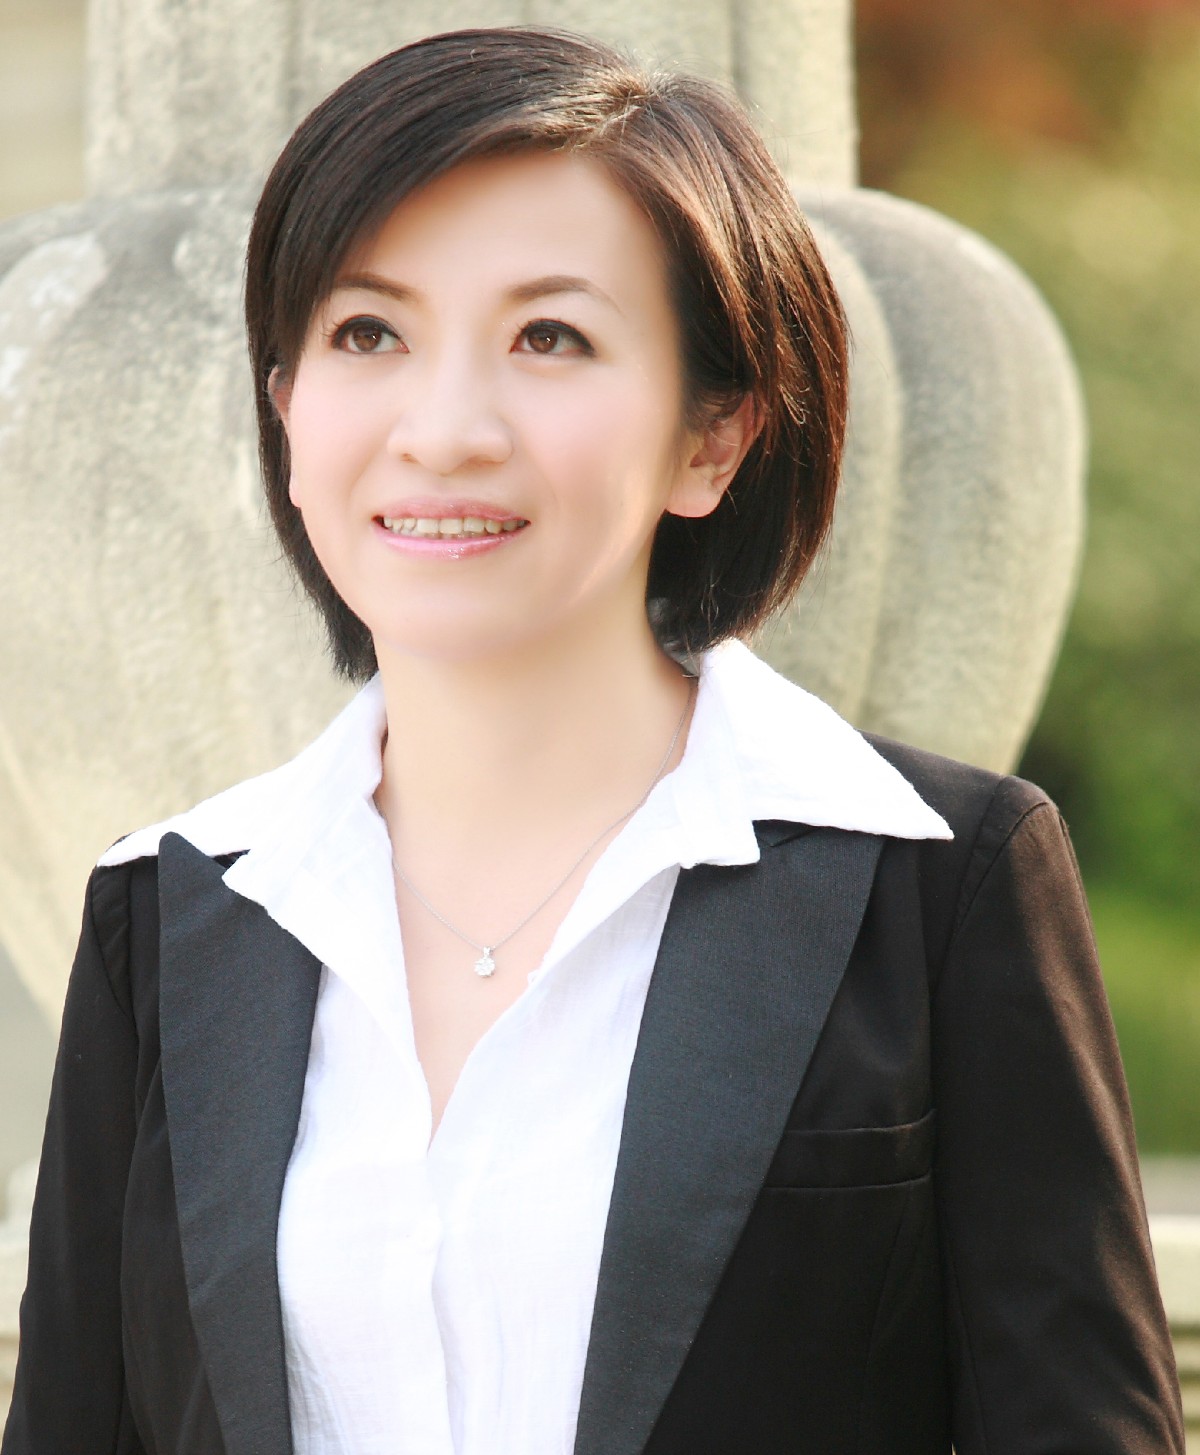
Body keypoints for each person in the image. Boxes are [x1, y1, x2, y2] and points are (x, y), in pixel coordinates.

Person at [1, 25, 1185, 1455]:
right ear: (288, 405)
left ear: (713, 438)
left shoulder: (941, 885)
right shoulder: (168, 910)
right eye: (367, 332)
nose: (444, 429)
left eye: (549, 337)